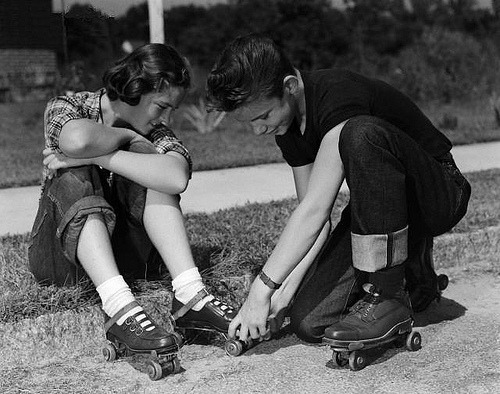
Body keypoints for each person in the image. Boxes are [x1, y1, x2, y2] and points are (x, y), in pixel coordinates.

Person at [206, 34, 471, 344]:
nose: (259, 130)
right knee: (308, 322)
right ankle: (414, 271)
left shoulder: (338, 93)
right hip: (380, 212)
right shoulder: (288, 128)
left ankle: (389, 296)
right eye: (250, 122)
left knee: (358, 132)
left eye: (263, 116)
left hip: (438, 195)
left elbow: (316, 209)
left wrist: (259, 290)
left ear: (290, 86)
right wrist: (282, 294)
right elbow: (315, 221)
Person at [29, 43, 235, 355]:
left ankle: (191, 294)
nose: (165, 118)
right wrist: (125, 139)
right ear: (134, 89)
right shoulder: (69, 105)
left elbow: (175, 177)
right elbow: (77, 139)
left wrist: (108, 157)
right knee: (74, 171)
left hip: (129, 257)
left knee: (152, 166)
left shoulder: (152, 132)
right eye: (161, 106)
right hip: (62, 260)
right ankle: (118, 306)